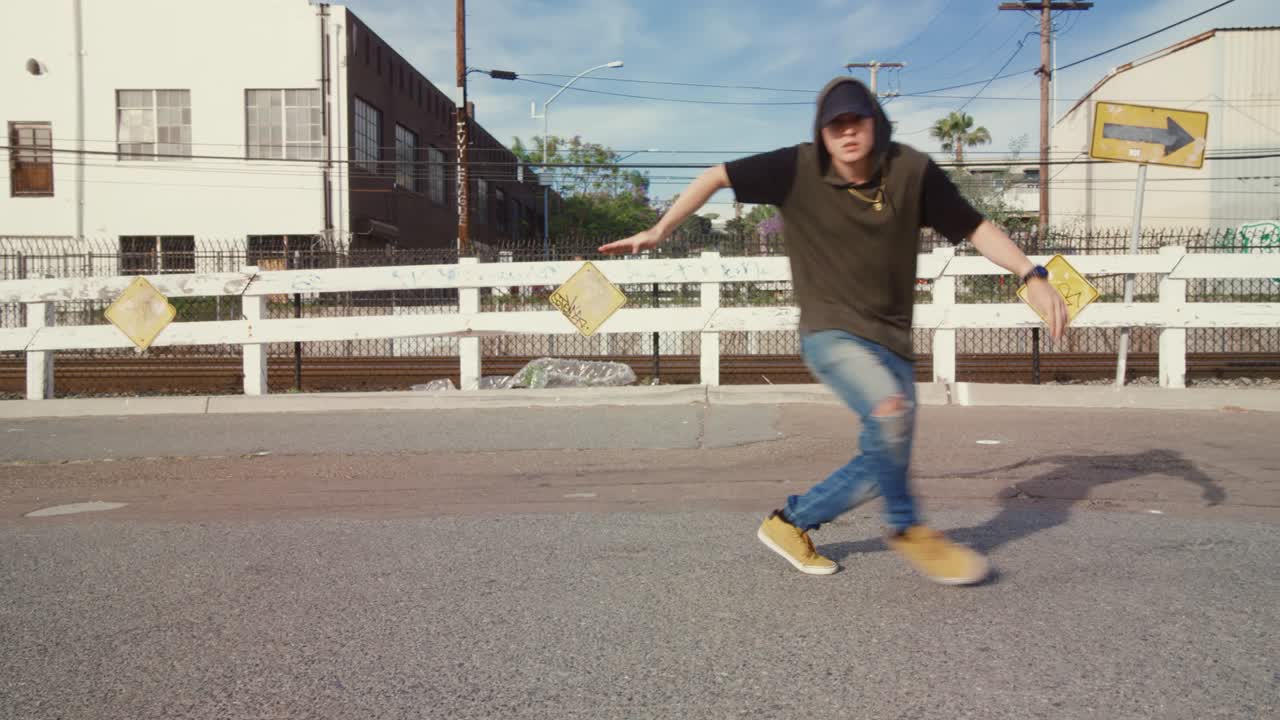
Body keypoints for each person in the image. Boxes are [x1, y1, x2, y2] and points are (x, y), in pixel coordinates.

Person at [599, 77, 1070, 585]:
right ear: (821, 133)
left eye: (855, 121)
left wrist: (1031, 274)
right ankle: (909, 529)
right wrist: (660, 229)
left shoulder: (912, 172)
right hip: (831, 333)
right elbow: (716, 176)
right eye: (834, 125)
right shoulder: (795, 168)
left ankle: (790, 523)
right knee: (891, 414)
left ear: (875, 124)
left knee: (884, 458)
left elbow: (975, 226)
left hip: (893, 341)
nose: (846, 133)